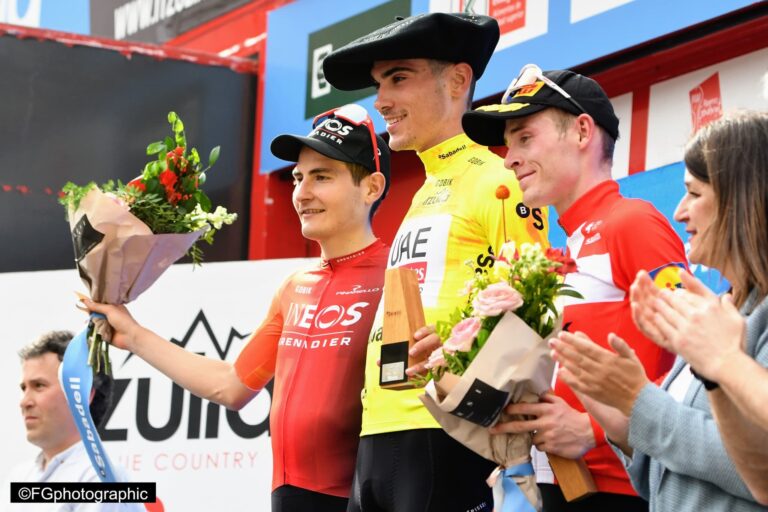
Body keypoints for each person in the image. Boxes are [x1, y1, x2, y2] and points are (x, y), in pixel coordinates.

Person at [86, 104, 390, 512]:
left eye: (323, 176)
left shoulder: (398, 274)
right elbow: (232, 386)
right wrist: (133, 334)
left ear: (371, 187)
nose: (302, 193)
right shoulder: (294, 288)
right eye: (299, 177)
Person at [323, 13, 549, 512]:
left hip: (444, 433)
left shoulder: (498, 179)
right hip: (378, 431)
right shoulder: (424, 192)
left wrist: (478, 413)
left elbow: (532, 319)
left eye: (399, 78)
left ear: (457, 79)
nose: (381, 99)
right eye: (379, 83)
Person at [461, 65, 686, 511]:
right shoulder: (557, 255)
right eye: (509, 144)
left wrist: (595, 429)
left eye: (524, 138)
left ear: (582, 131)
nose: (508, 159)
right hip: (560, 487)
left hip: (627, 492)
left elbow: (698, 362)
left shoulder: (632, 222)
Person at [551, 111, 768, 510]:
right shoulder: (719, 310)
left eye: (695, 193)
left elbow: (754, 471)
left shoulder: (745, 321)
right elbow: (672, 482)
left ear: (742, 198)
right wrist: (618, 423)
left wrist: (638, 401)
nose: (680, 211)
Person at [3, 330, 142, 511]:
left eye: (39, 386)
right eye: (24, 388)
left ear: (82, 394)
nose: (24, 402)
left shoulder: (99, 478)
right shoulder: (18, 476)